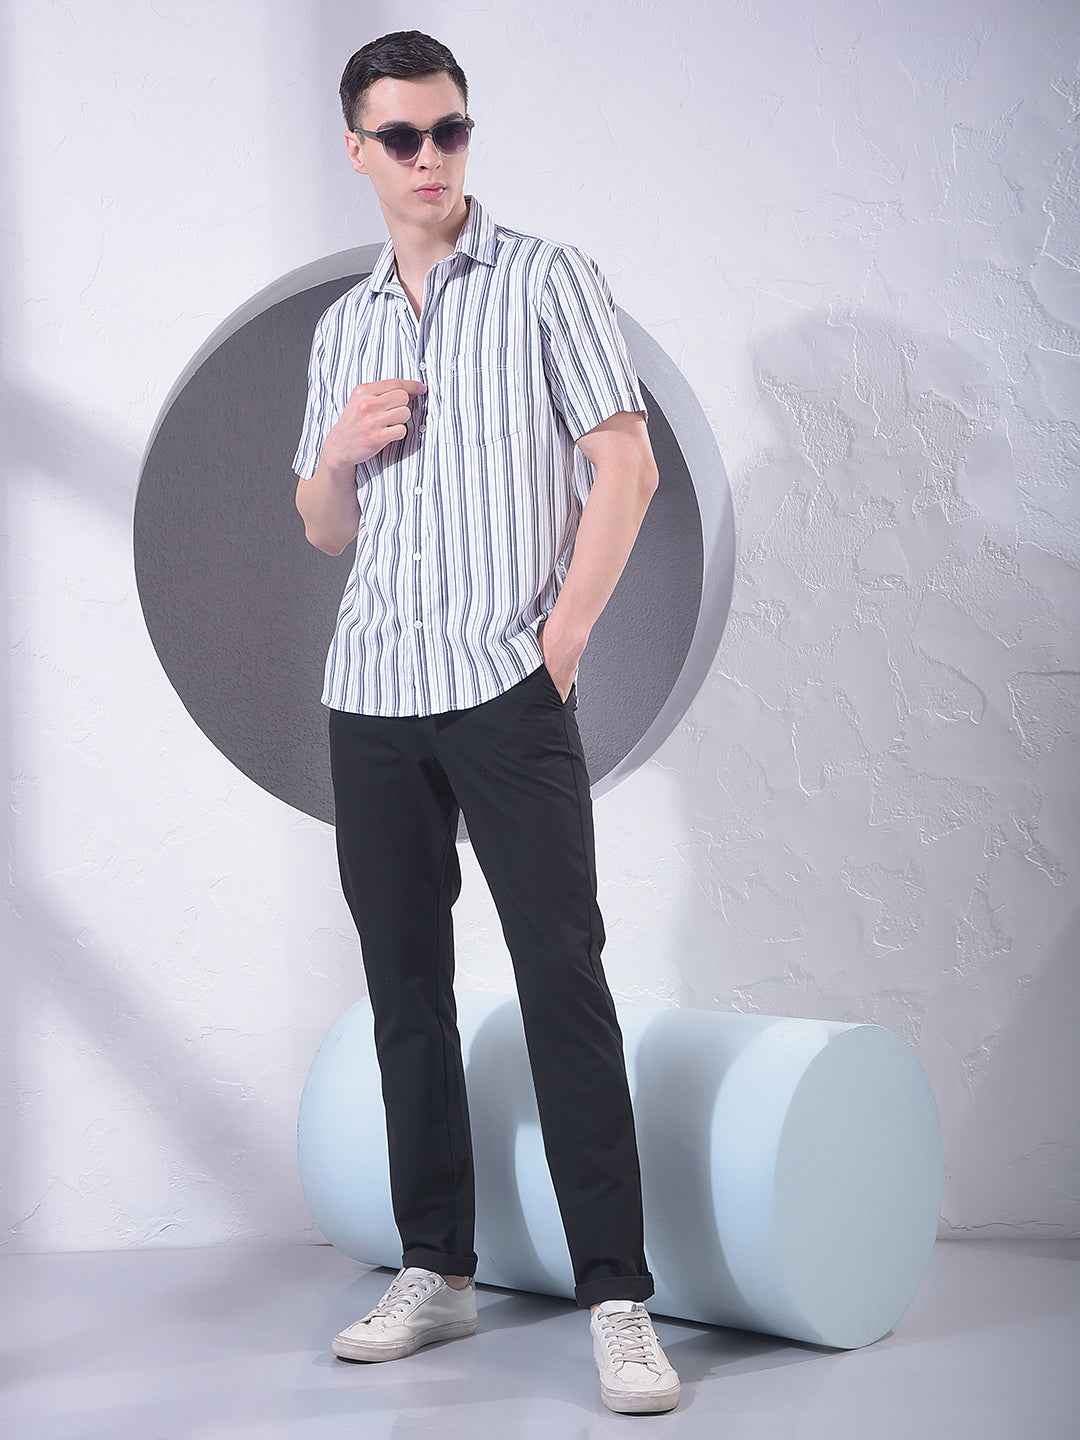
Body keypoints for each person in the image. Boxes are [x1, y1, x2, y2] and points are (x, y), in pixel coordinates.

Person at [292, 30, 679, 1416]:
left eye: (449, 130)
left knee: (562, 975)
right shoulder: (344, 329)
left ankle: (618, 1297)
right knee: (405, 988)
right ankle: (436, 1268)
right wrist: (341, 450)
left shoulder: (547, 279)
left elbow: (624, 464)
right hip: (372, 693)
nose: (431, 158)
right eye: (402, 137)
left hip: (507, 685)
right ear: (357, 151)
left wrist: (558, 646)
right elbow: (322, 527)